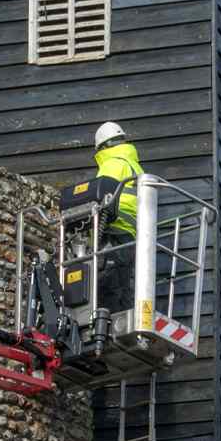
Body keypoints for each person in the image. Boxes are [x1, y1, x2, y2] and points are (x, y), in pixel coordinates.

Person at [89, 121, 143, 314]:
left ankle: (106, 320)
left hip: (114, 229)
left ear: (102, 147)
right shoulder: (136, 167)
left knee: (108, 279)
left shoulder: (112, 163)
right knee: (125, 283)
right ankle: (126, 316)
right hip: (133, 233)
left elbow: (101, 199)